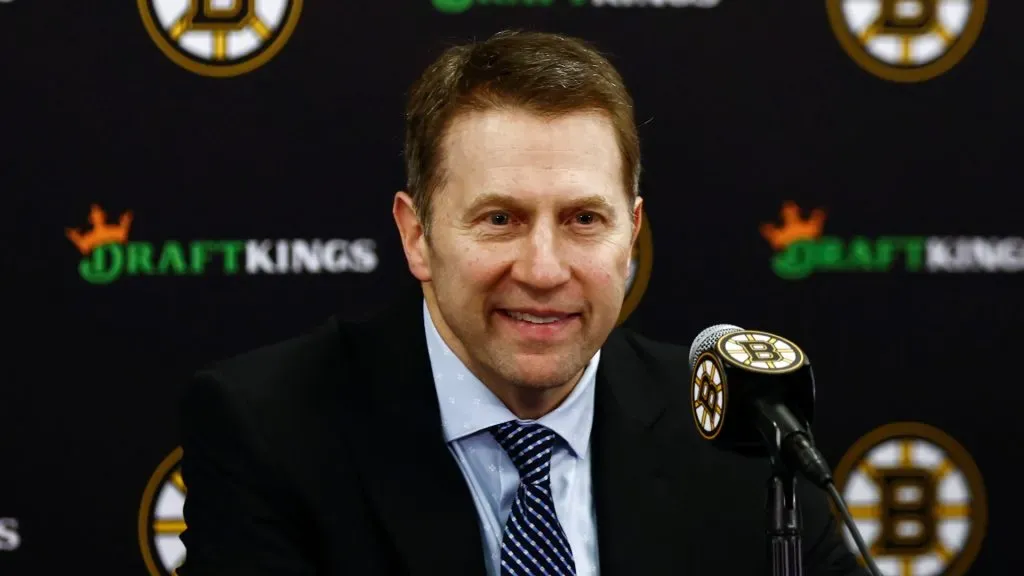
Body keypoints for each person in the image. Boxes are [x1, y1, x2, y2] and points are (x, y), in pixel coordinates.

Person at [176, 30, 866, 576]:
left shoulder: (744, 433)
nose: (543, 270)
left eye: (583, 220)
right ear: (416, 236)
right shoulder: (270, 428)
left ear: (631, 236)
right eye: (500, 218)